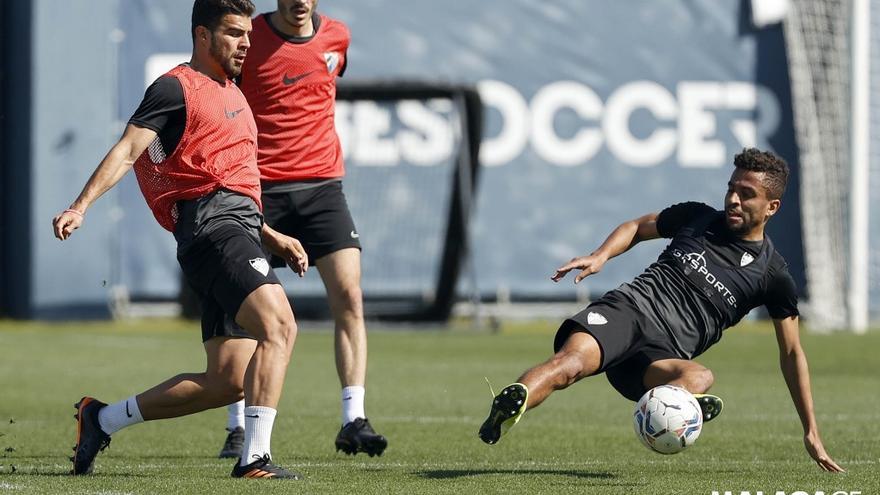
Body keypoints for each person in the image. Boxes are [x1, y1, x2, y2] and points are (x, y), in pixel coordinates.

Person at [53, 0, 307, 480]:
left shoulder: (232, 90)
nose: (246, 42)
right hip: (213, 229)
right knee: (281, 327)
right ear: (202, 36)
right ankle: (254, 458)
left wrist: (270, 236)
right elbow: (129, 150)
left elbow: (232, 180)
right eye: (233, 33)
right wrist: (80, 205)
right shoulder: (174, 87)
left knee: (227, 382)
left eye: (247, 34)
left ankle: (101, 418)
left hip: (236, 230)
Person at [477, 148, 844, 473]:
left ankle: (673, 409)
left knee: (700, 377)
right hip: (629, 311)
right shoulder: (697, 218)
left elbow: (792, 352)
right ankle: (509, 407)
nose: (733, 199)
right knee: (569, 365)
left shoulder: (772, 276)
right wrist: (601, 255)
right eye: (731, 188)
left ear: (771, 207)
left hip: (660, 357)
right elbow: (637, 227)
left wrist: (810, 429)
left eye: (746, 195)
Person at [214, 0, 387, 459]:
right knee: (246, 308)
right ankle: (236, 425)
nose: (299, 3)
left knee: (349, 296)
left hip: (322, 189)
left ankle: (354, 418)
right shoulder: (248, 38)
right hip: (260, 187)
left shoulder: (338, 38)